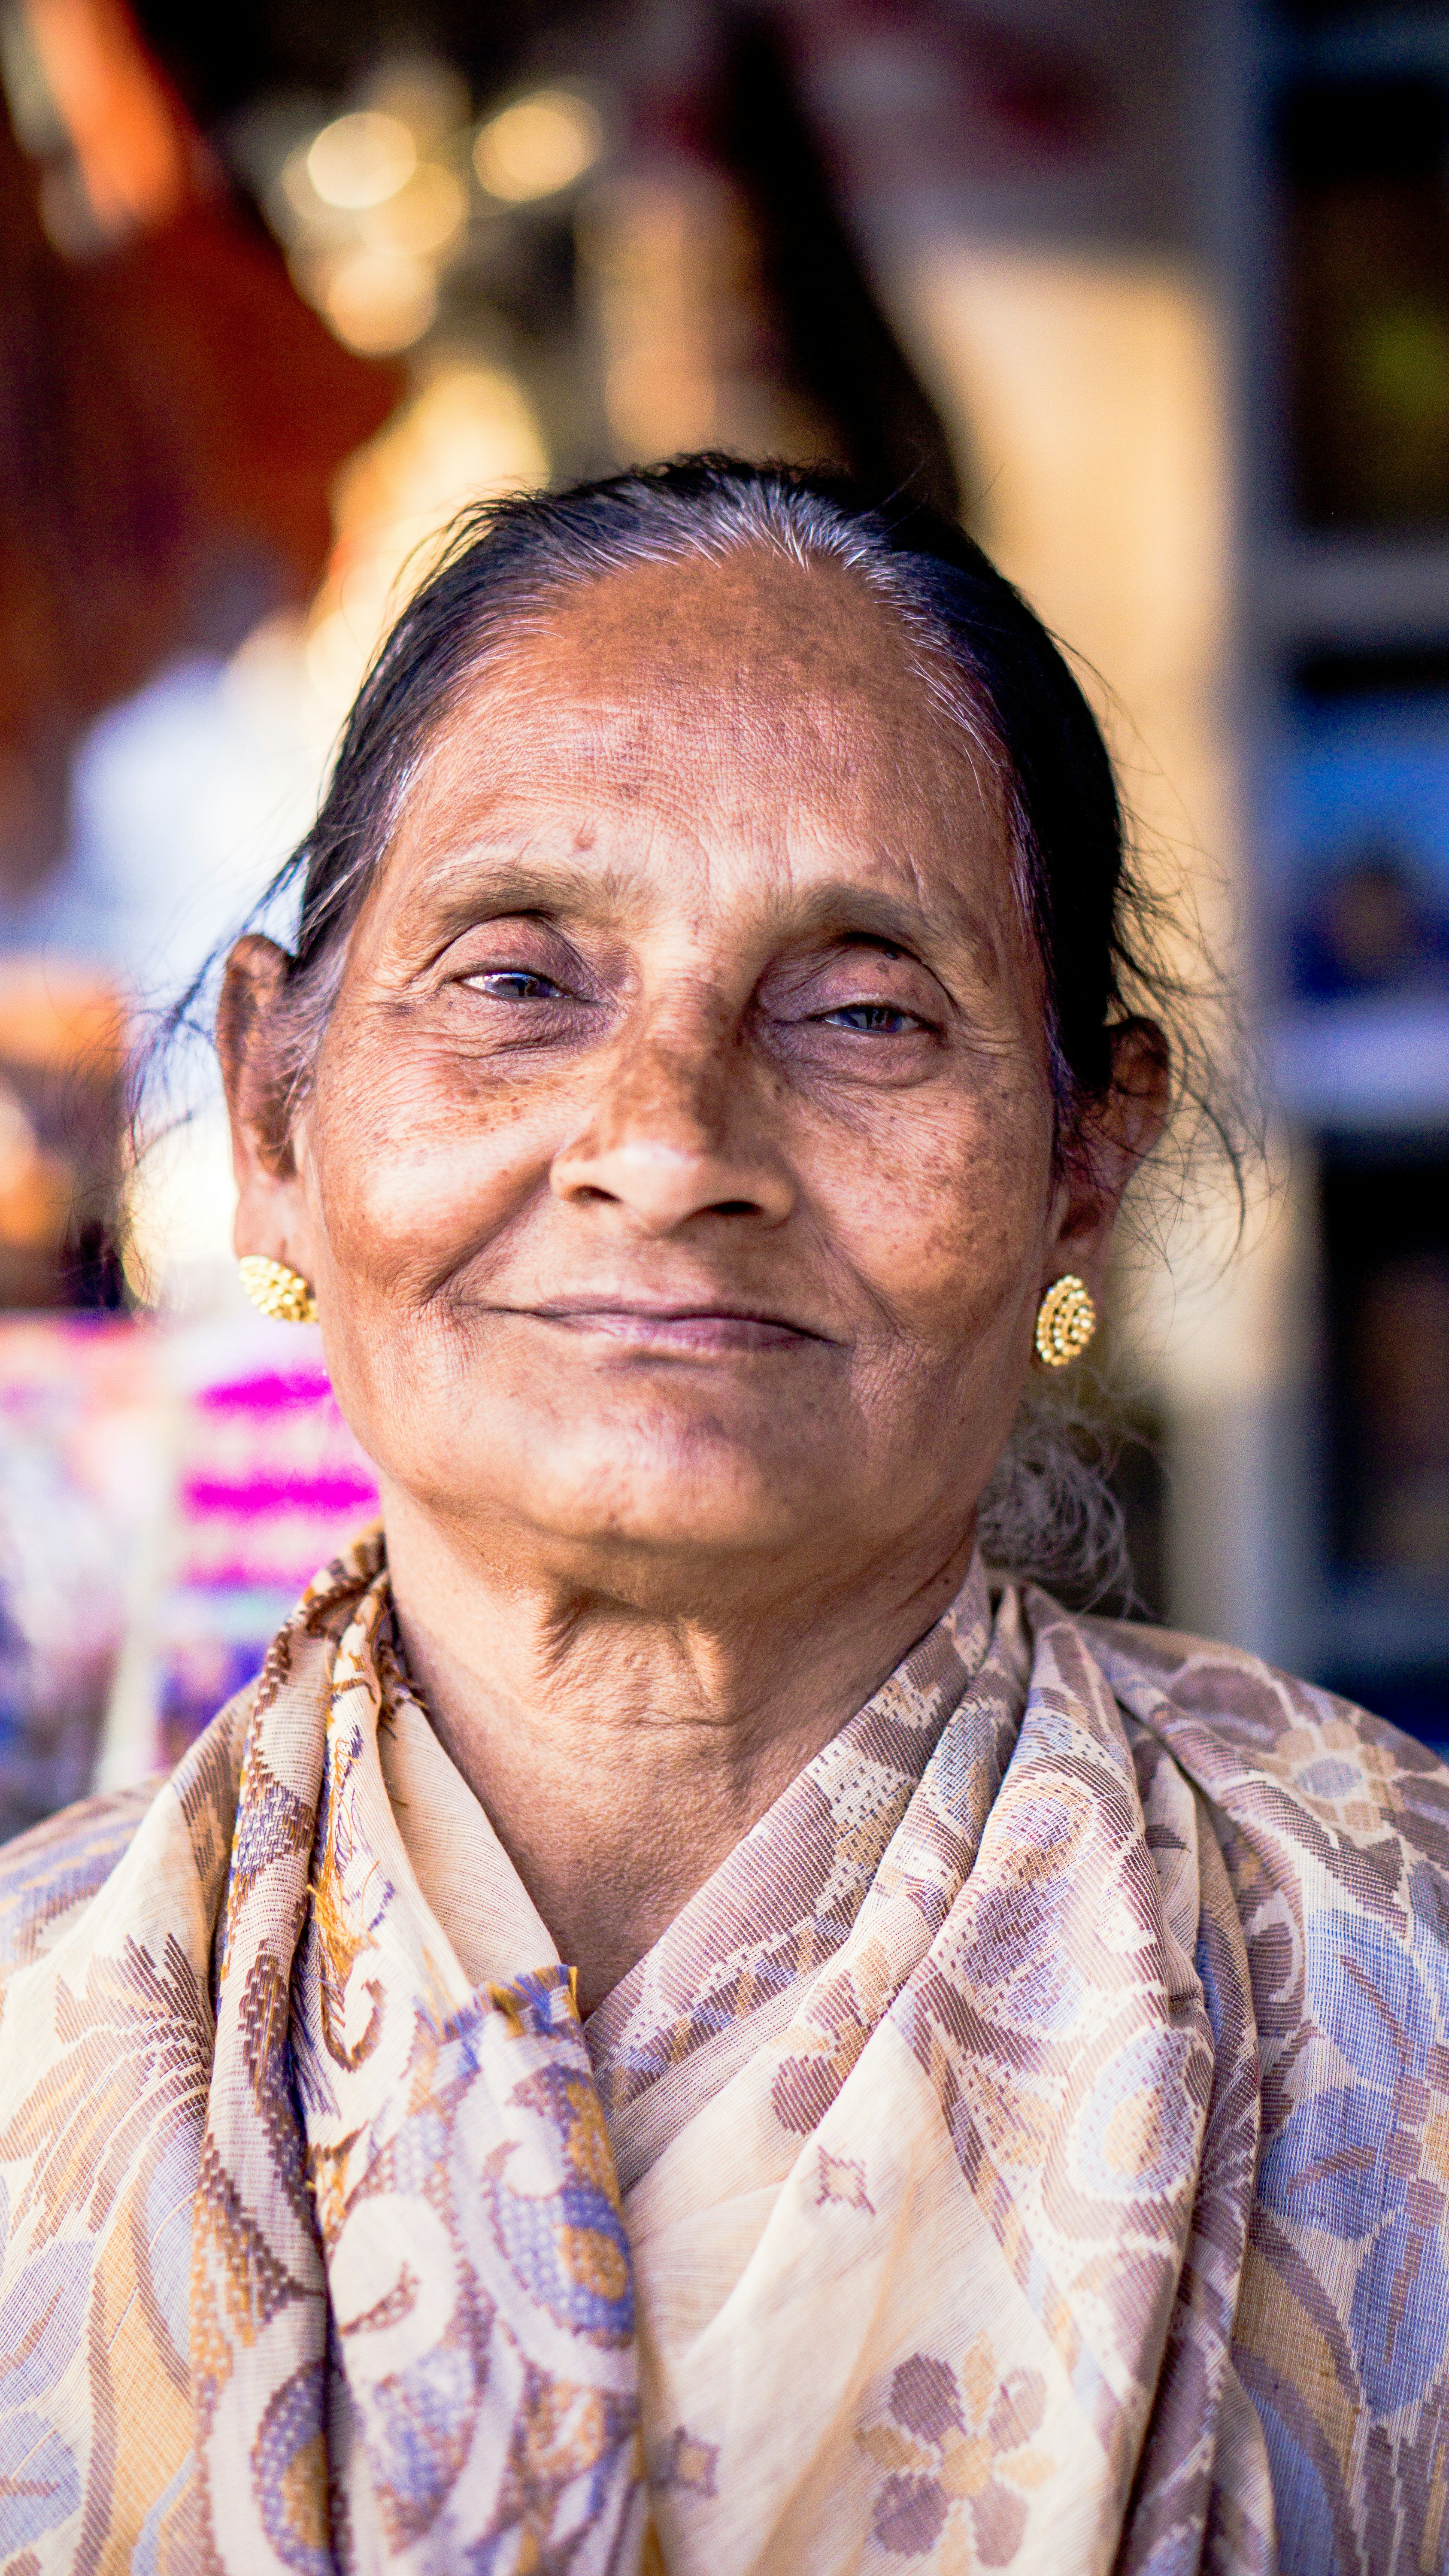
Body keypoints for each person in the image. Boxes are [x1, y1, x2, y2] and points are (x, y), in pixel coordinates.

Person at [2, 460, 1446, 2576]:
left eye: (863, 1010)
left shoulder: (1394, 2001)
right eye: (515, 981)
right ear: (278, 1114)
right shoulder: (29, 2043)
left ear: (1080, 1168)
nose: (671, 1146)